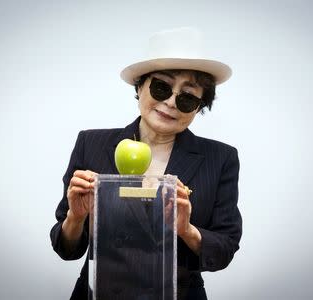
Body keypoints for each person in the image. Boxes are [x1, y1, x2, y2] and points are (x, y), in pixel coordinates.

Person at [50, 27, 242, 300]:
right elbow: (65, 248)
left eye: (187, 97)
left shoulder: (220, 158)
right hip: (100, 292)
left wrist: (187, 230)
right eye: (161, 87)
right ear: (139, 87)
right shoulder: (91, 144)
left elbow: (224, 249)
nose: (171, 102)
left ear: (198, 108)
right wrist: (76, 217)